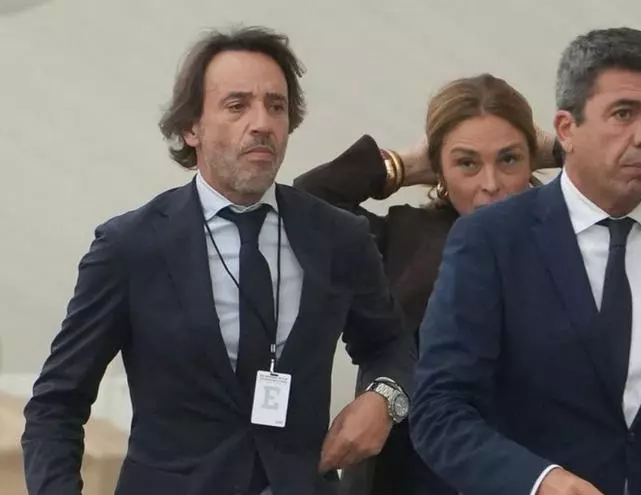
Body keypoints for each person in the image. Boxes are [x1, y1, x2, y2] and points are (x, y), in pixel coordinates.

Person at [20, 26, 414, 495]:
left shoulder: (338, 237)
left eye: (276, 106)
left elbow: (389, 345)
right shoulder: (130, 246)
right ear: (192, 128)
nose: (262, 123)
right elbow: (56, 405)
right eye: (237, 105)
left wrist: (384, 398)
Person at [293, 74, 641, 495]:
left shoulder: (575, 234)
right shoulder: (402, 236)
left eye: (509, 159)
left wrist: (565, 147)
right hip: (406, 477)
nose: (490, 184)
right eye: (467, 163)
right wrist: (403, 164)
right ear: (439, 170)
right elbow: (309, 201)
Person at [410, 27, 641, 495]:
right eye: (624, 113)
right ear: (566, 129)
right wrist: (538, 482)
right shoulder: (492, 239)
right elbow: (439, 411)